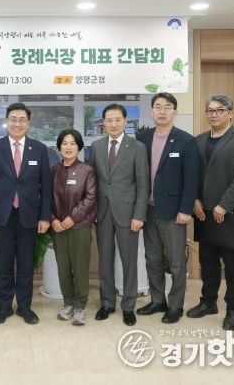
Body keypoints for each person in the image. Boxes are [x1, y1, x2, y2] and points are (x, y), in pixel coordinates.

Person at [189, 94, 234, 331]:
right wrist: (194, 200)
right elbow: (193, 174)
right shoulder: (199, 140)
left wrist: (224, 205)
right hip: (204, 213)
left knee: (233, 265)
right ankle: (208, 302)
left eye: (220, 110)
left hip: (232, 215)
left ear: (230, 113)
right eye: (210, 110)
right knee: (207, 262)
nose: (214, 114)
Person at [0, 102, 52, 325]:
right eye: (13, 119)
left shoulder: (39, 149)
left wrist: (45, 217)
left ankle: (24, 307)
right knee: (3, 265)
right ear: (6, 121)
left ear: (28, 123)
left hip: (29, 216)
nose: (17, 124)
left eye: (22, 120)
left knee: (25, 264)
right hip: (2, 216)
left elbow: (46, 187)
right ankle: (4, 307)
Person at [136, 93, 199, 324]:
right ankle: (157, 300)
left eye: (167, 107)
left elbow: (191, 178)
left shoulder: (185, 140)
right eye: (158, 107)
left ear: (175, 111)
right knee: (152, 258)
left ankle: (175, 306)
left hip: (173, 212)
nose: (162, 111)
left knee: (176, 262)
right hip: (148, 209)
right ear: (151, 111)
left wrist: (186, 209)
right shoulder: (143, 138)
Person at [88, 104, 149, 326]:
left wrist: (139, 215)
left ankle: (128, 306)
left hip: (128, 213)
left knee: (129, 261)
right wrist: (92, 212)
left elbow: (143, 184)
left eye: (117, 120)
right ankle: (107, 303)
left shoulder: (137, 147)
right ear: (103, 123)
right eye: (109, 120)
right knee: (104, 260)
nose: (113, 124)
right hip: (102, 212)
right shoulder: (96, 146)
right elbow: (92, 183)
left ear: (125, 121)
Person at [50, 129, 96, 326]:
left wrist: (72, 218)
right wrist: (53, 219)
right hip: (58, 228)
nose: (68, 147)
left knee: (80, 268)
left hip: (80, 227)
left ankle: (79, 307)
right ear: (59, 147)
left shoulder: (87, 170)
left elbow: (90, 198)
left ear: (79, 147)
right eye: (64, 143)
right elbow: (45, 198)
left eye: (72, 143)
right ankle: (68, 303)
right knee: (63, 268)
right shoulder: (53, 171)